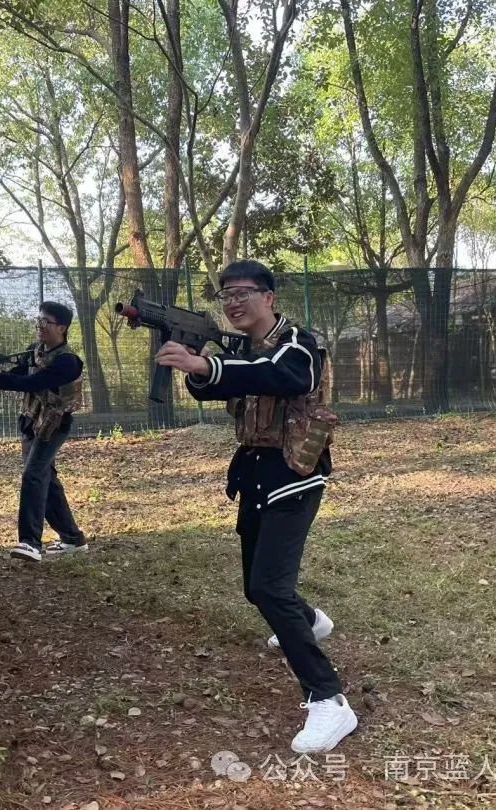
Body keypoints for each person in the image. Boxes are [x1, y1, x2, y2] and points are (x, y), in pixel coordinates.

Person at [155, 259, 357, 754]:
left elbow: (283, 375)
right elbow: (216, 386)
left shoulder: (301, 344)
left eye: (243, 293)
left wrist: (208, 365)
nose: (234, 302)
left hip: (293, 476)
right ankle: (310, 622)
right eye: (226, 295)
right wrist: (198, 364)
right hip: (253, 475)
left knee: (270, 587)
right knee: (256, 588)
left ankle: (329, 699)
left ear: (269, 297)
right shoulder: (242, 350)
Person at [0, 301, 89, 562]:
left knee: (33, 475)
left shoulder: (68, 361)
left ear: (62, 328)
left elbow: (33, 382)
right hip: (32, 421)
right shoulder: (35, 350)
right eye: (39, 320)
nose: (40, 326)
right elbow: (19, 372)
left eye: (46, 322)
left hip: (54, 425)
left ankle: (30, 542)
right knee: (47, 480)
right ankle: (72, 539)